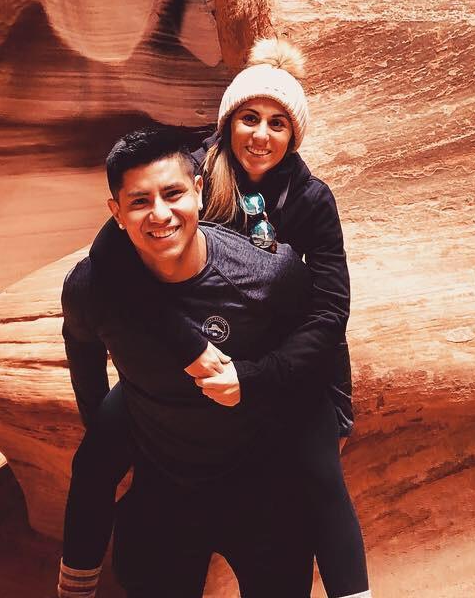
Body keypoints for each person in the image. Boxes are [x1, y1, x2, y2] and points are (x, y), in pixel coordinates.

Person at [58, 40, 370, 598]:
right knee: (96, 460)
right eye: (249, 118)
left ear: (294, 135)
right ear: (228, 122)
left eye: (277, 123)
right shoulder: (191, 169)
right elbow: (109, 255)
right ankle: (74, 584)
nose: (261, 135)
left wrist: (263, 378)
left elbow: (327, 310)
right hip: (182, 346)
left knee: (321, 478)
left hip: (279, 351)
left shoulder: (308, 199)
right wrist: (187, 347)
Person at [60, 127, 317, 597]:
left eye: (173, 193)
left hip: (262, 488)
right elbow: (80, 345)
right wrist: (103, 430)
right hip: (165, 489)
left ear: (198, 191)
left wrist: (261, 386)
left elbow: (313, 354)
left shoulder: (266, 275)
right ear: (116, 213)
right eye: (139, 201)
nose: (160, 214)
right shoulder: (92, 289)